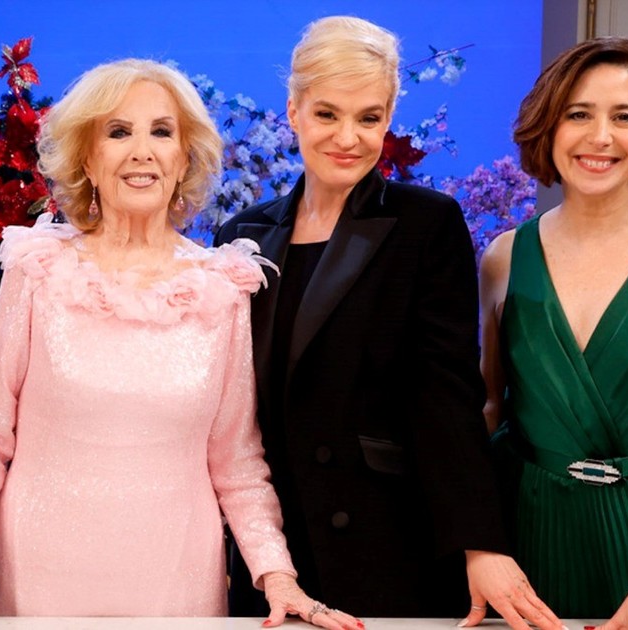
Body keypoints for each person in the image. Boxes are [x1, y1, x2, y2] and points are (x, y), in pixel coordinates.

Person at [0, 58, 361, 630]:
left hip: (177, 583)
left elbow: (236, 460)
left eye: (161, 131)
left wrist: (277, 575)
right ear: (87, 157)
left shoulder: (223, 287)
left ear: (185, 157)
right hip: (42, 577)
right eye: (118, 132)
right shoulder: (36, 269)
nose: (142, 151)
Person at [215, 16, 562, 630]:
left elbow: (447, 395)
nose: (348, 137)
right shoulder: (241, 234)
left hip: (389, 543)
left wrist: (480, 542)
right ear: (293, 111)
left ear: (389, 117)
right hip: (273, 552)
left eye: (369, 117)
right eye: (327, 114)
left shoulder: (426, 224)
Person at [481, 37, 628, 627]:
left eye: (624, 117)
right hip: (527, 544)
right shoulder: (502, 258)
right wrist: (479, 546)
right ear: (549, 127)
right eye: (578, 114)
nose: (600, 137)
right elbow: (487, 412)